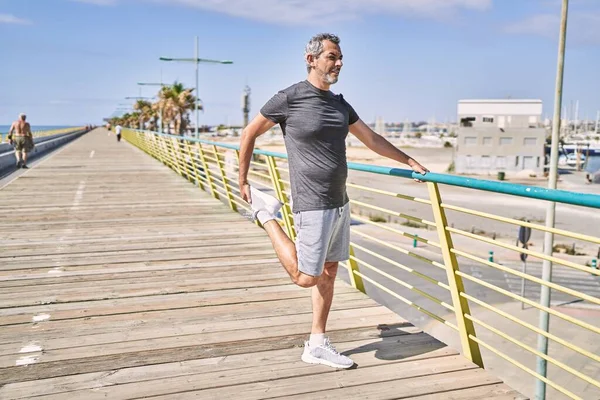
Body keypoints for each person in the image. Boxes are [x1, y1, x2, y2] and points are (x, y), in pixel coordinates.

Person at [238, 33, 429, 369]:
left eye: (340, 58)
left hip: (340, 202)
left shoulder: (340, 104)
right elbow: (249, 133)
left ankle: (317, 343)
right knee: (305, 277)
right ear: (310, 59)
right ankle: (266, 215)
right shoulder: (290, 98)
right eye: (331, 57)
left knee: (328, 272)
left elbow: (371, 139)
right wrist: (243, 180)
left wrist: (409, 161)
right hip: (311, 202)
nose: (338, 63)